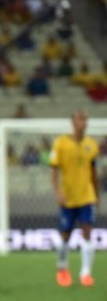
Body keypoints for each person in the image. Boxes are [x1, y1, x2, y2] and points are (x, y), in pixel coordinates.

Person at [50, 110, 99, 287]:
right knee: (66, 234)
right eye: (80, 119)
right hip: (68, 197)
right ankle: (62, 268)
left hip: (87, 196)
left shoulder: (91, 145)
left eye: (85, 119)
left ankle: (86, 273)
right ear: (72, 122)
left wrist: (97, 196)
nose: (83, 123)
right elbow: (54, 170)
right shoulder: (60, 143)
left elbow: (93, 173)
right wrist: (58, 192)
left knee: (87, 232)